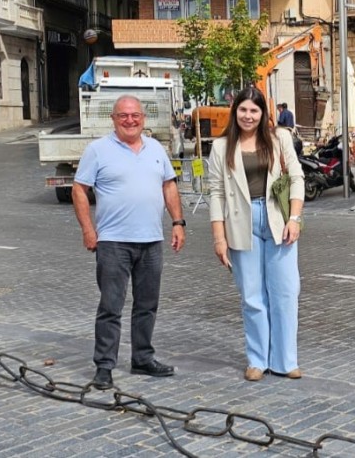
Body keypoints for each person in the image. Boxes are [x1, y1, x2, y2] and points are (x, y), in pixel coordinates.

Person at [73, 94, 186, 390]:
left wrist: (178, 222)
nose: (130, 120)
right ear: (113, 119)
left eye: (135, 115)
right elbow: (79, 190)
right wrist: (88, 229)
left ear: (143, 118)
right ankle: (104, 366)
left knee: (147, 305)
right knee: (111, 306)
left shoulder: (156, 149)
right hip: (113, 243)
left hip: (151, 240)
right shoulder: (97, 150)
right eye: (123, 115)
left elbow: (169, 185)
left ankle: (142, 358)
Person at [208, 86, 305, 382]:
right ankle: (257, 359)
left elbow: (297, 177)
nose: (248, 116)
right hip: (241, 223)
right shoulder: (221, 147)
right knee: (252, 296)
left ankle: (285, 360)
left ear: (263, 114)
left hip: (277, 220)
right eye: (243, 110)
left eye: (254, 110)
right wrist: (219, 238)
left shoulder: (279, 139)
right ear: (234, 111)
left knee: (285, 293)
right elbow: (216, 193)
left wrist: (296, 218)